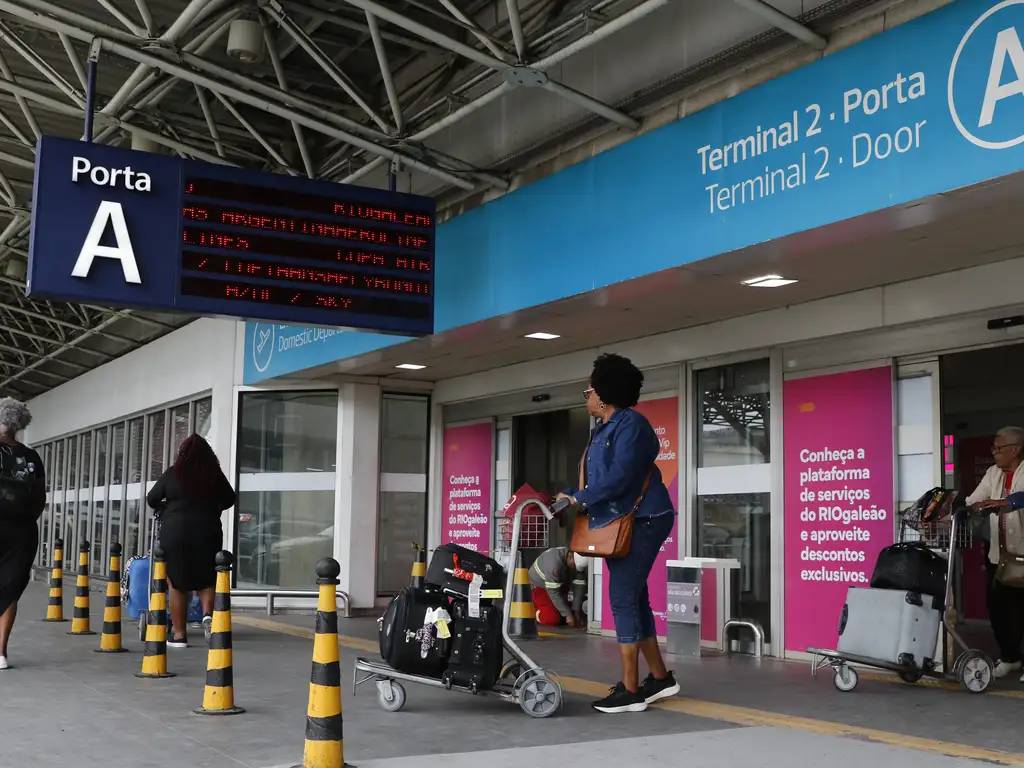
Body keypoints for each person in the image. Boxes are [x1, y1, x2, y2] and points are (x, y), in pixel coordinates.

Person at [558, 353, 679, 713]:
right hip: (623, 520)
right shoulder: (606, 428)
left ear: (605, 393)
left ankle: (630, 689)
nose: (587, 397)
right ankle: (658, 678)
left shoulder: (632, 426)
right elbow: (601, 478)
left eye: (589, 390)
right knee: (634, 596)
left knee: (622, 598)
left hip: (644, 518)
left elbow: (620, 477)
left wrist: (580, 497)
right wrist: (573, 495)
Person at [147, 434, 235, 649]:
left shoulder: (173, 473)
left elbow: (152, 498)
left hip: (176, 533)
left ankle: (179, 635)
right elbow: (230, 498)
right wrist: (214, 508)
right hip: (208, 531)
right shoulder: (213, 475)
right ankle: (207, 616)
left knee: (177, 583)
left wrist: (168, 508)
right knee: (207, 578)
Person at [966, 426, 1024, 680]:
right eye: (993, 448)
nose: (994, 453)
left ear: (1016, 449)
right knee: (999, 610)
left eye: (999, 449)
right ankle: (1010, 657)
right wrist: (965, 506)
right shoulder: (993, 473)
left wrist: (1006, 502)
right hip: (998, 556)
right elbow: (974, 499)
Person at [0, 398, 45, 670]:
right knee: (10, 589)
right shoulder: (31, 457)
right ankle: (1, 652)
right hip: (22, 531)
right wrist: (26, 521)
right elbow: (40, 497)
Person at [529, 547, 588, 627]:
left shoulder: (574, 559)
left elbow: (579, 587)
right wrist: (568, 615)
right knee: (552, 619)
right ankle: (534, 611)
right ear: (570, 556)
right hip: (540, 588)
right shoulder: (554, 565)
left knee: (564, 615)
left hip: (558, 586)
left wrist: (576, 611)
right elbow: (553, 592)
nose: (574, 568)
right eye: (573, 565)